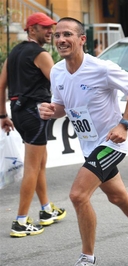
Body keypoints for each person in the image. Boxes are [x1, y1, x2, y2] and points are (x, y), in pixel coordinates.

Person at [38, 17, 128, 266]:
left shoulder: (101, 68)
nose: (61, 40)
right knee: (118, 197)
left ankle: (87, 257)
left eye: (68, 35)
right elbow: (62, 108)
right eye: (57, 35)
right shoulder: (56, 71)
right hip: (89, 144)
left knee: (77, 195)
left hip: (111, 142)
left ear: (82, 39)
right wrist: (50, 110)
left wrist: (124, 124)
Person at [0, 12, 66, 238]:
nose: (50, 31)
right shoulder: (41, 54)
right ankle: (20, 221)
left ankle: (46, 210)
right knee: (32, 167)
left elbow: (1, 86)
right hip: (35, 114)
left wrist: (2, 116)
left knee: (40, 162)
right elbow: (59, 83)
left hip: (18, 113)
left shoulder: (14, 53)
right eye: (44, 27)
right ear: (31, 29)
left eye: (51, 27)